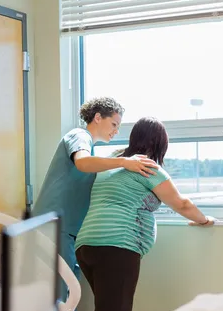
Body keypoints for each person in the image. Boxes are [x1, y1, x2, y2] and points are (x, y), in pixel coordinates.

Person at [75, 117, 214, 311]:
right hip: (116, 247)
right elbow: (181, 204)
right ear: (160, 144)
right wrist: (204, 220)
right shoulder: (147, 167)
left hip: (86, 245)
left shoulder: (114, 161)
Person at [32, 97, 158, 299]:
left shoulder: (92, 150)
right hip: (54, 225)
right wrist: (124, 162)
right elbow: (82, 163)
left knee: (67, 292)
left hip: (71, 229)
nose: (116, 131)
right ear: (98, 117)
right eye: (114, 124)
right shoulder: (79, 136)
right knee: (57, 293)